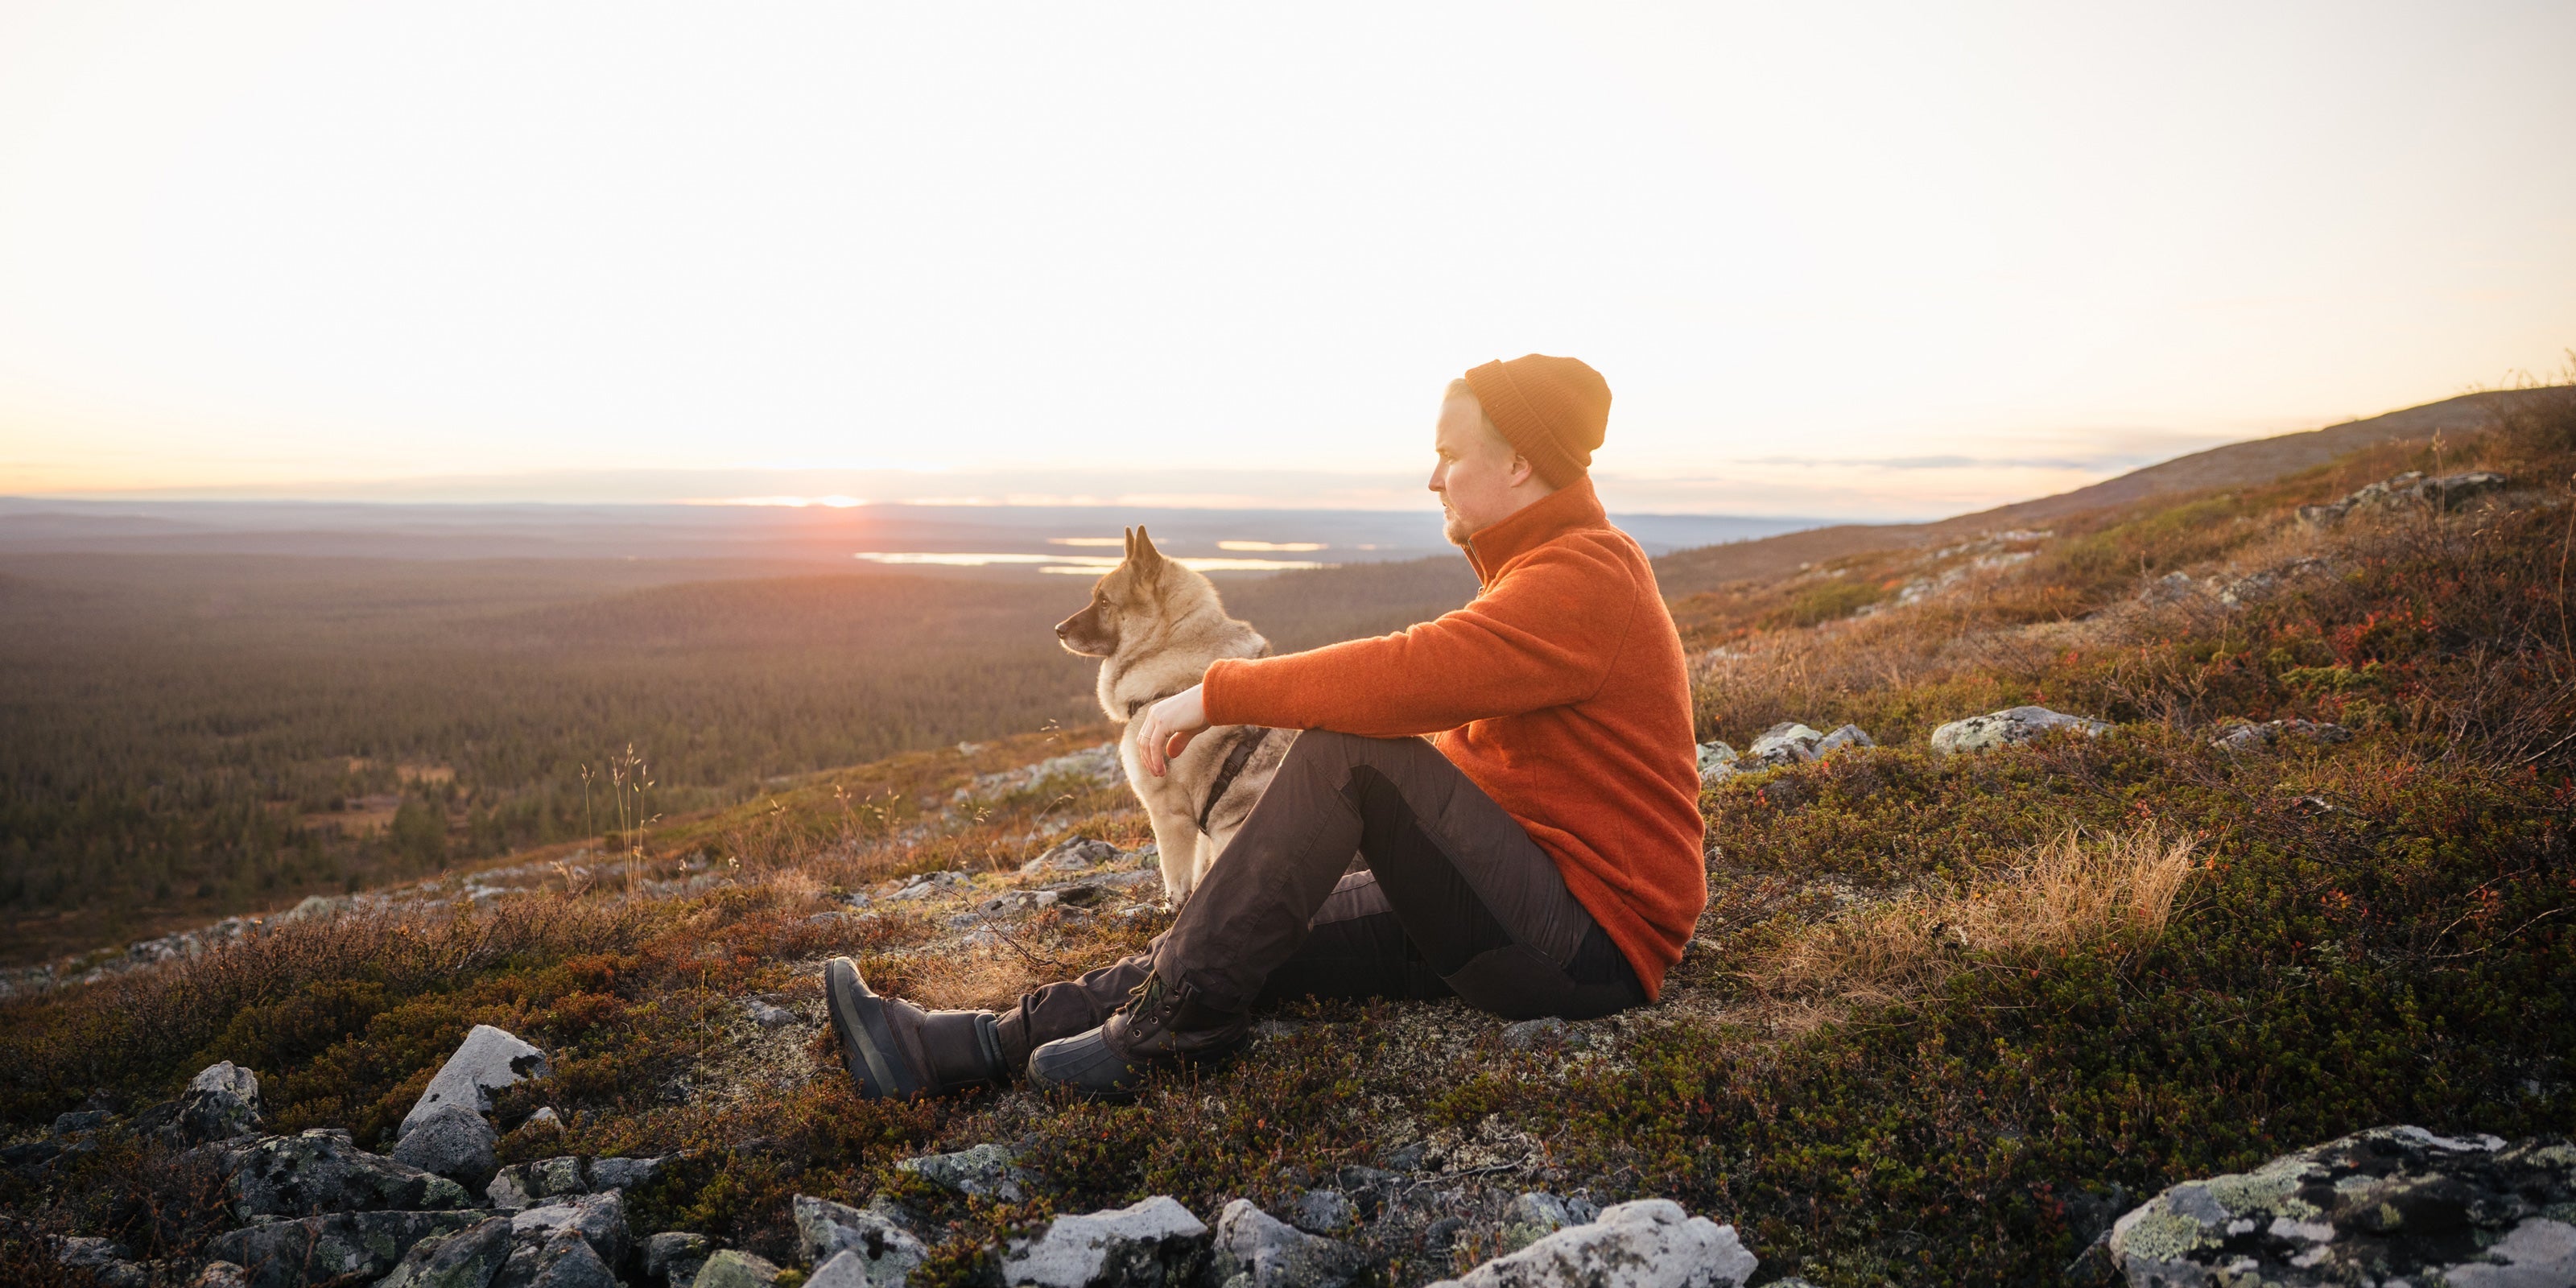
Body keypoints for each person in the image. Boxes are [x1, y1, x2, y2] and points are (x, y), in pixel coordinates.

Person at [824, 354, 1707, 1101]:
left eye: (1447, 454)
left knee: (1349, 753)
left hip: (1583, 944)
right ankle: (953, 1047)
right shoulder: (1545, 570)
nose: (1432, 476)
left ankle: (1177, 1032)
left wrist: (1213, 694)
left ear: (1517, 462)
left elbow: (1407, 677)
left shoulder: (1583, 577)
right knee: (1241, 923)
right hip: (1514, 901)